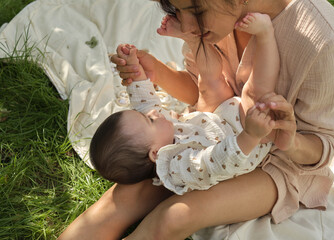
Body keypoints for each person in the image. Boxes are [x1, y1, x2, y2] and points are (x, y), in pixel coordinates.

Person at [58, 0, 334, 239]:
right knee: (118, 201)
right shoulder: (212, 18)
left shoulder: (319, 37)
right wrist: (155, 72)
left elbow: (324, 142)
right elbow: (202, 87)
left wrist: (289, 139)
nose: (185, 25)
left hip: (277, 160)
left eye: (196, 11)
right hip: (205, 136)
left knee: (173, 217)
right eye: (177, 9)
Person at [90, 13, 279, 192]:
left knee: (209, 80)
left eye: (144, 115)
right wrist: (251, 136)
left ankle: (193, 39)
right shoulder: (181, 168)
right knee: (257, 92)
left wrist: (135, 68)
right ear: (155, 153)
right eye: (150, 121)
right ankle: (265, 35)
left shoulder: (157, 138)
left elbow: (144, 103)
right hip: (246, 137)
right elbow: (219, 161)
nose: (154, 113)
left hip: (221, 118)